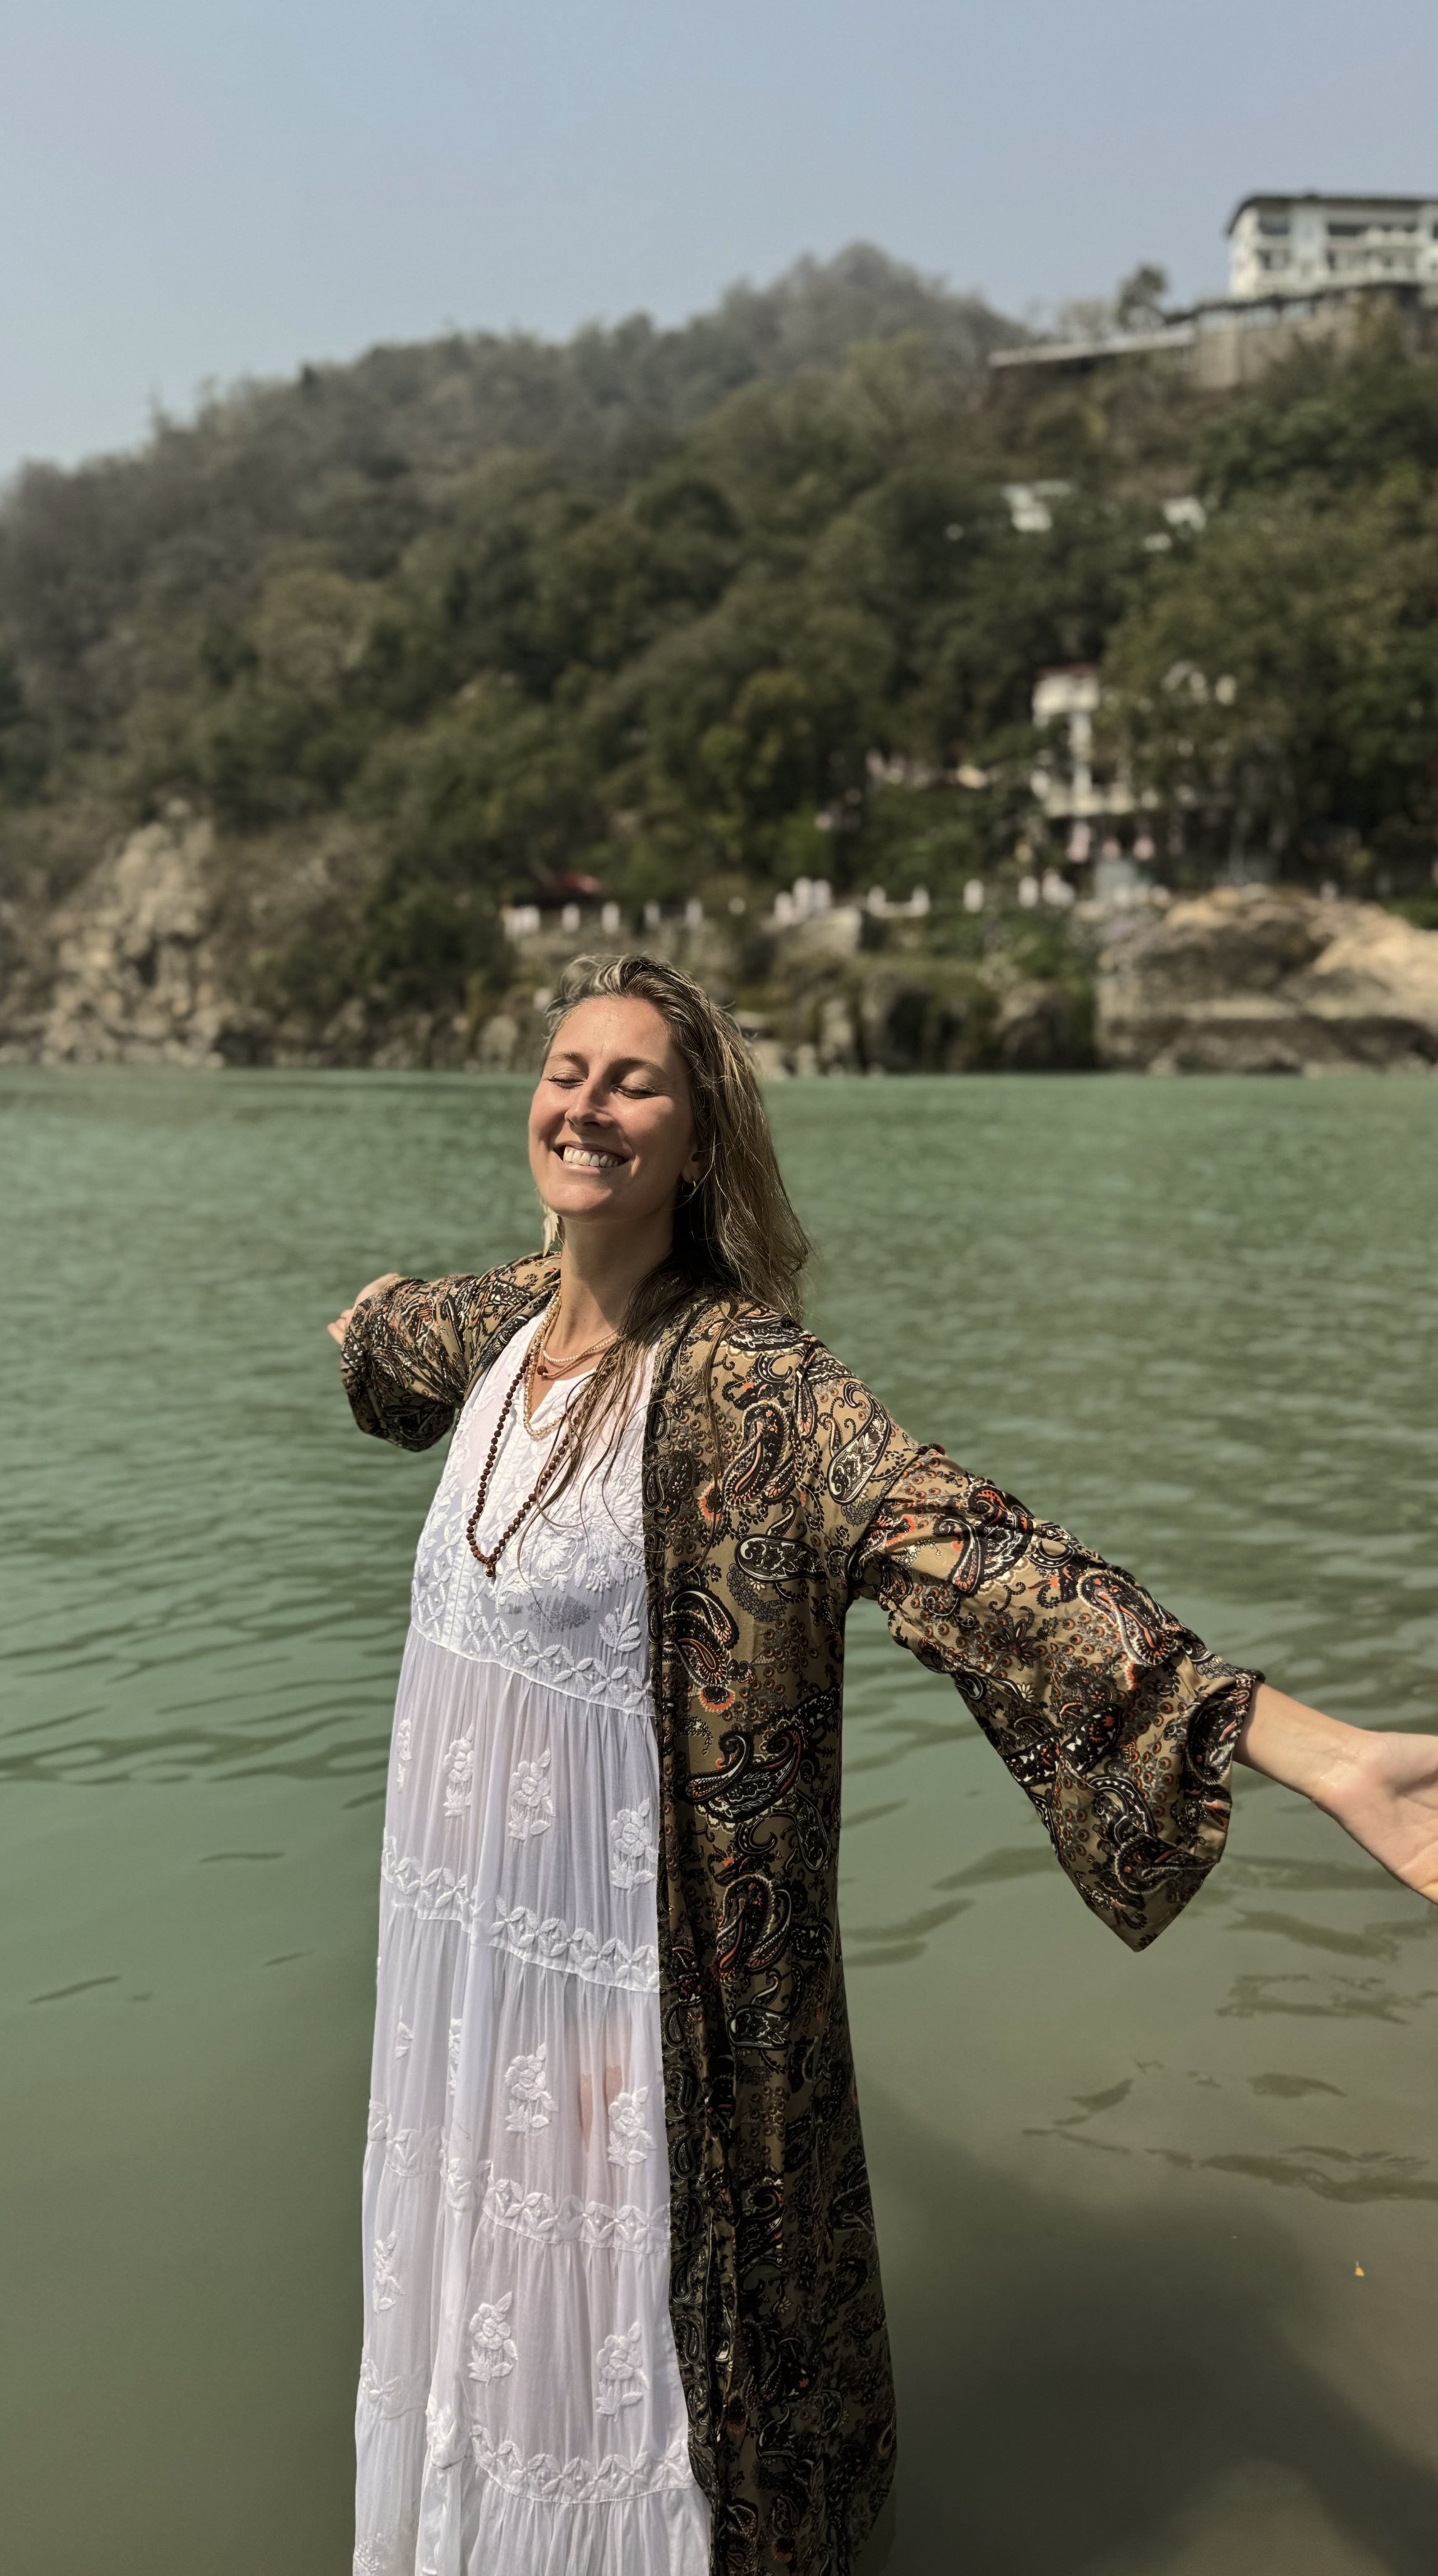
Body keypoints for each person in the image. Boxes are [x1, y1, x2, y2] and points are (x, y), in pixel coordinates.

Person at [329, 953, 1438, 2576]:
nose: (585, 1104)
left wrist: (1311, 1749)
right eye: (566, 1070)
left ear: (699, 1140)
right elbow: (383, 1357)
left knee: (623, 2377)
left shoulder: (754, 1392)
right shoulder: (500, 1328)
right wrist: (353, 1319)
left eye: (633, 1081)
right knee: (483, 2339)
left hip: (639, 2005)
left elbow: (978, 1553)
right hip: (467, 1981)